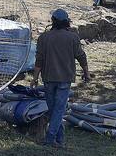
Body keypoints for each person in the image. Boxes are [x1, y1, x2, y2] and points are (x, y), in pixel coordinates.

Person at [32, 8, 90, 148]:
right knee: (57, 110)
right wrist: (86, 73)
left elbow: (38, 61)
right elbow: (81, 57)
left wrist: (34, 78)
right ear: (66, 22)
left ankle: (51, 138)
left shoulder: (43, 38)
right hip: (65, 78)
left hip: (48, 78)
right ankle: (58, 138)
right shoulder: (73, 37)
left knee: (54, 110)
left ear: (52, 21)